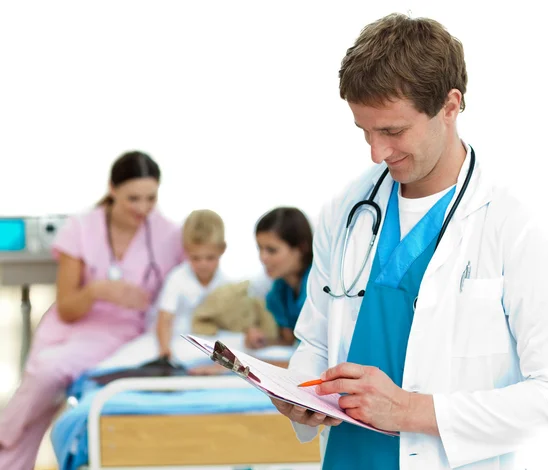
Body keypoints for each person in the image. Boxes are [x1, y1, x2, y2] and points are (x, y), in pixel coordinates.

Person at [271, 13, 548, 470]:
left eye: (393, 131)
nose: (377, 153)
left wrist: (411, 411)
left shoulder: (512, 225)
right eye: (364, 131)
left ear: (450, 105)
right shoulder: (346, 211)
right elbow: (316, 343)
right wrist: (298, 392)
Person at [0, 150, 183, 469]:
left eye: (150, 199)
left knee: (47, 372)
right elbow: (68, 308)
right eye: (133, 198)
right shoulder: (82, 227)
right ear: (112, 190)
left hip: (118, 335)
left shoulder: (169, 234)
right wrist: (100, 290)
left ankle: (4, 432)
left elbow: (191, 287)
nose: (142, 208)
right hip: (66, 327)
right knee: (41, 392)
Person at [156, 209, 229, 360]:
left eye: (210, 258)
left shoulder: (225, 283)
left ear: (222, 249)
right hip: (179, 339)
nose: (203, 264)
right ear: (186, 251)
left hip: (208, 341)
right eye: (195, 258)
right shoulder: (177, 279)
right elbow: (164, 319)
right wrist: (164, 350)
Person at [245, 207, 313, 349]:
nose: (263, 258)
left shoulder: (318, 288)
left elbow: (312, 354)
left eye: (272, 250)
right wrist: (261, 341)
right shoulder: (279, 289)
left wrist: (237, 365)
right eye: (260, 248)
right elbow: (289, 342)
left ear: (301, 248)